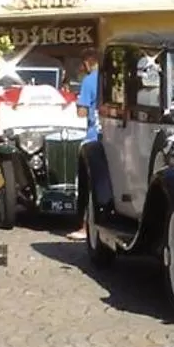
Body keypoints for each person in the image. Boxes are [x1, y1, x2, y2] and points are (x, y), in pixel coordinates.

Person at [68, 51, 100, 239]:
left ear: (88, 63)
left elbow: (81, 112)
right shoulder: (113, 80)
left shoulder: (89, 80)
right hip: (113, 137)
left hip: (93, 136)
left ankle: (84, 227)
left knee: (86, 186)